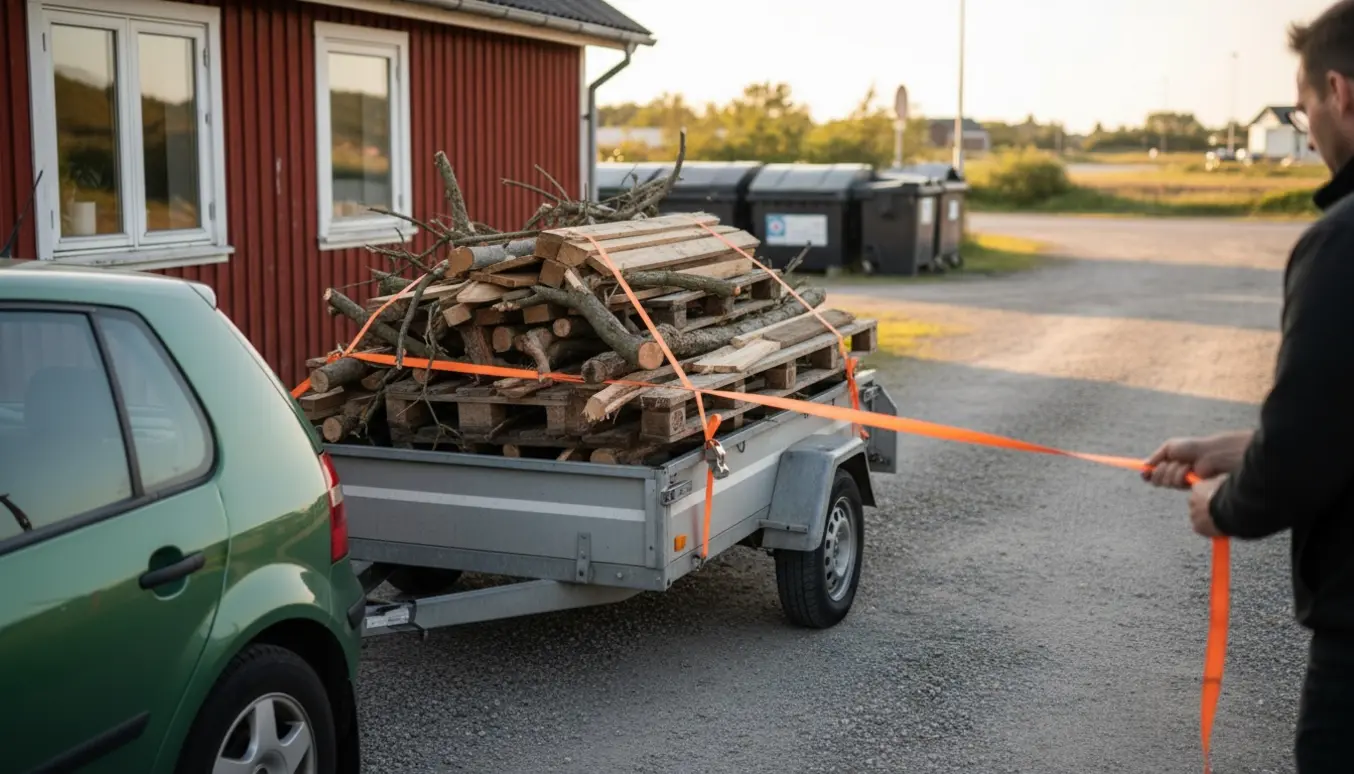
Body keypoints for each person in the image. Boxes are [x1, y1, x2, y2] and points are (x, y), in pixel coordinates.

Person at [1143, 2, 1354, 770]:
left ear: (1340, 93)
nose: (1309, 131)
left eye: (1303, 109)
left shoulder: (1341, 244)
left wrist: (1224, 505)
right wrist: (1233, 447)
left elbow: (1303, 451)